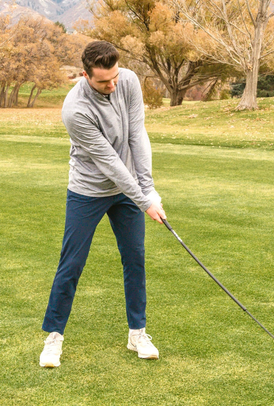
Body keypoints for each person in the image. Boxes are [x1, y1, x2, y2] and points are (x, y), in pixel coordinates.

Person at [39, 41, 166, 368]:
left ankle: (137, 332)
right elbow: (109, 162)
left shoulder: (128, 81)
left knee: (135, 257)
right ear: (85, 75)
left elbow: (137, 134)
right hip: (88, 190)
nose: (112, 85)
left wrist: (148, 190)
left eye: (115, 77)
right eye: (103, 81)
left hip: (127, 191)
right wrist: (143, 200)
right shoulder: (75, 109)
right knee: (72, 263)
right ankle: (54, 337)